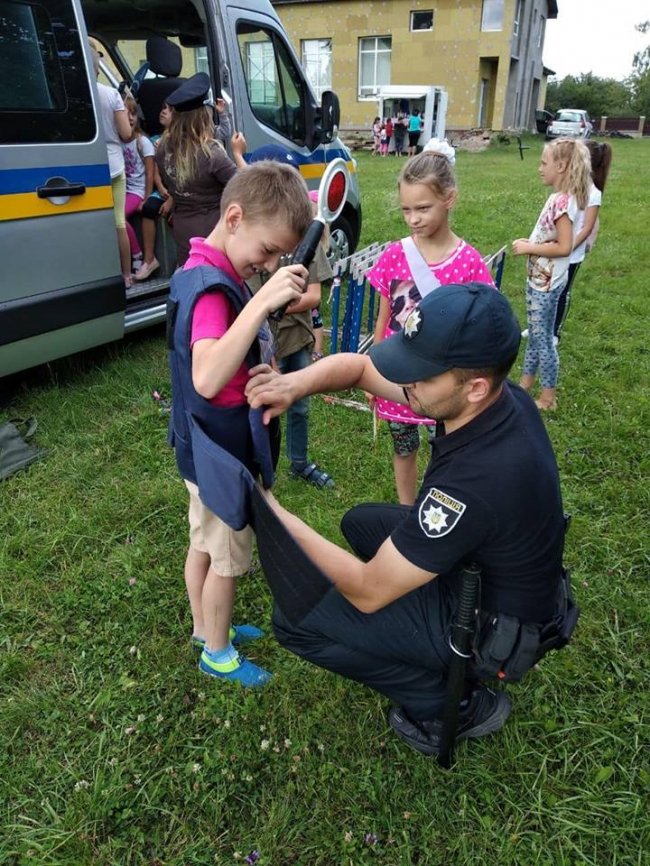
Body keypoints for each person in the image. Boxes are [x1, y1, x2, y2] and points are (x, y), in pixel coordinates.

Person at [246, 282, 569, 757]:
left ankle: (451, 701)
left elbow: (368, 590)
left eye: (420, 375)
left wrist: (269, 512)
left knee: (296, 619)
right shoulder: (489, 398)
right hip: (484, 572)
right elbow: (360, 369)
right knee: (361, 523)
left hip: (491, 627)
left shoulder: (477, 480)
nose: (407, 382)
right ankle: (429, 647)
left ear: (474, 387)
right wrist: (294, 384)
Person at [167, 162, 312, 687]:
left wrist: (258, 363)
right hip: (221, 456)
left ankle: (204, 629)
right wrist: (263, 303)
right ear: (234, 218)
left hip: (199, 449)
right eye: (267, 250)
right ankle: (218, 652)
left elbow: (217, 362)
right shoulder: (214, 290)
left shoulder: (201, 268)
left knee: (202, 544)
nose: (268, 264)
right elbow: (207, 377)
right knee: (227, 556)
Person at [366, 148, 495, 505]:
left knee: (447, 447)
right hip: (400, 377)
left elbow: (482, 324)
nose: (413, 219)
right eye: (406, 210)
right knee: (403, 445)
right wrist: (373, 371)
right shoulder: (394, 254)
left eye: (423, 209)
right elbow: (384, 316)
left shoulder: (468, 262)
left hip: (445, 382)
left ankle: (440, 503)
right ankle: (408, 509)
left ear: (449, 199)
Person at [249, 189, 335, 489]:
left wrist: (272, 304)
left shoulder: (307, 236)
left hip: (296, 336)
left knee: (298, 405)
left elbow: (313, 295)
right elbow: (247, 297)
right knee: (261, 407)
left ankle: (299, 463)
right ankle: (260, 469)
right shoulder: (256, 236)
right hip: (261, 341)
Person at [512, 138, 591, 411]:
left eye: (544, 163)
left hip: (545, 285)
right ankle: (525, 384)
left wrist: (527, 247)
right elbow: (554, 239)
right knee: (535, 334)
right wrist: (534, 244)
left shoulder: (561, 202)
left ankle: (548, 398)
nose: (539, 168)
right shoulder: (561, 199)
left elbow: (565, 246)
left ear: (561, 166)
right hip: (541, 280)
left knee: (543, 339)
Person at [156, 72, 245, 266]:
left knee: (188, 278)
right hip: (211, 234)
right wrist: (238, 154)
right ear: (203, 115)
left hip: (183, 231)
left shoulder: (163, 147)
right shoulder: (211, 154)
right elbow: (245, 187)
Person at [553, 140, 613, 340]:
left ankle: (554, 332)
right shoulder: (566, 188)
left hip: (571, 256)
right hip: (555, 250)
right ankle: (540, 327)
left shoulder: (593, 194)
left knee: (561, 293)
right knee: (548, 290)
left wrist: (567, 247)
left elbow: (586, 229)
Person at [89, 40, 133, 287]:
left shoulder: (76, 94)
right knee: (118, 222)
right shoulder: (111, 94)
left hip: (88, 166)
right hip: (114, 166)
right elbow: (126, 134)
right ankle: (126, 276)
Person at [133, 101, 174, 281]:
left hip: (178, 193)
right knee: (149, 208)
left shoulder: (180, 141)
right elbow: (155, 170)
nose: (163, 112)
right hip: (163, 190)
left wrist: (172, 198)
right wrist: (162, 188)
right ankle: (149, 259)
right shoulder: (155, 140)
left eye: (168, 109)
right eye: (162, 108)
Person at [122, 97, 156, 275]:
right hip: (124, 190)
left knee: (117, 218)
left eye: (133, 114)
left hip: (137, 191)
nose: (130, 118)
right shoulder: (118, 142)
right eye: (125, 114)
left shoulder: (143, 142)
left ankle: (136, 254)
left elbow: (150, 173)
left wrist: (147, 196)